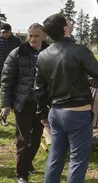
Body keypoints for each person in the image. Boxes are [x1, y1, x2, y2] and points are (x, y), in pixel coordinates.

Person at [35, 14, 98, 183]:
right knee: (78, 159)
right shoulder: (80, 50)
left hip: (55, 113)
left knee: (55, 156)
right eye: (68, 21)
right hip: (77, 113)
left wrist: (43, 115)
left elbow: (39, 89)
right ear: (65, 29)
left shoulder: (43, 55)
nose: (70, 22)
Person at [1, 23, 48, 183]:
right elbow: (7, 80)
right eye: (30, 35)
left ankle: (27, 163)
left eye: (36, 36)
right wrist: (6, 104)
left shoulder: (51, 53)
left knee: (36, 139)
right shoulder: (17, 53)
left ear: (44, 36)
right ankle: (21, 174)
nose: (33, 39)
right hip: (22, 103)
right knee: (23, 139)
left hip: (42, 103)